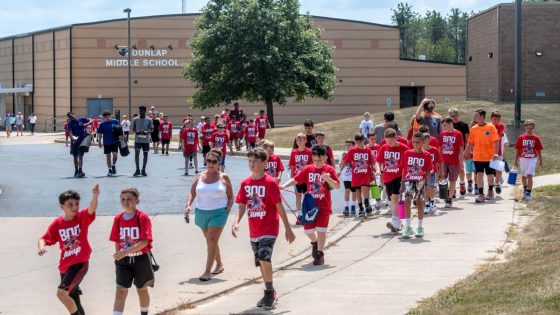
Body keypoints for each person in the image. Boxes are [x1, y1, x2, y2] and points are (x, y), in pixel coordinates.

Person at [232, 148, 296, 310]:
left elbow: (279, 207)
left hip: (269, 227)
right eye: (250, 161)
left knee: (264, 257)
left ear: (263, 163)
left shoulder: (270, 182)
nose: (251, 164)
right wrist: (236, 222)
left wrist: (288, 229)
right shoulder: (245, 183)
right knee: (260, 262)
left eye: (255, 161)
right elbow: (241, 205)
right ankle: (269, 291)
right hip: (254, 230)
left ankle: (269, 292)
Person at [38, 184, 100, 315]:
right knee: (73, 298)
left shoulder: (82, 217)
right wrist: (42, 247)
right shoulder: (57, 223)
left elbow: (91, 209)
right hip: (64, 267)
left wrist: (95, 196)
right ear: (62, 206)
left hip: (79, 264)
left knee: (61, 293)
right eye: (70, 204)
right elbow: (43, 239)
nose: (75, 207)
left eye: (76, 204)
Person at [282, 145, 340, 265]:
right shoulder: (308, 169)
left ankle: (319, 254)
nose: (317, 162)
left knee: (321, 230)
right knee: (308, 231)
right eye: (315, 160)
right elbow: (296, 179)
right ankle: (314, 243)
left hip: (324, 205)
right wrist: (283, 186)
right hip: (310, 206)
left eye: (320, 160)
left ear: (325, 157)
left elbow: (337, 186)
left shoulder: (329, 170)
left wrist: (328, 179)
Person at [184, 149, 233, 281]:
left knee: (211, 240)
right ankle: (219, 264)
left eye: (214, 161)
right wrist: (188, 205)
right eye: (208, 161)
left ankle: (207, 272)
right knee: (211, 241)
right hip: (201, 212)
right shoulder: (199, 176)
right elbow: (192, 193)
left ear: (218, 163)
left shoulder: (223, 177)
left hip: (219, 213)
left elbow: (231, 197)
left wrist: (227, 211)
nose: (210, 164)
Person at [110, 187, 154, 315]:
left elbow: (144, 242)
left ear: (137, 201)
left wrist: (124, 252)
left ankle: (144, 313)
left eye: (129, 199)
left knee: (142, 289)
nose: (126, 202)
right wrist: (119, 255)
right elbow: (117, 240)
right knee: (120, 291)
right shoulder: (118, 219)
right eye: (123, 199)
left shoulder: (142, 217)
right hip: (123, 261)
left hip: (141, 259)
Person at [376, 128, 409, 233]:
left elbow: (408, 162)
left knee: (395, 198)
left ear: (396, 138)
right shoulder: (384, 148)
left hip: (399, 176)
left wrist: (405, 179)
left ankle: (394, 220)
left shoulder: (403, 148)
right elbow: (378, 161)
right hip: (387, 177)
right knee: (391, 200)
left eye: (391, 141)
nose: (389, 143)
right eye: (387, 141)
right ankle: (398, 222)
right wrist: (378, 170)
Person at [464, 108, 500, 203]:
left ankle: (490, 191)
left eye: (476, 115)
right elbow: (470, 143)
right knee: (479, 174)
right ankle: (481, 194)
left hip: (489, 156)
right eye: (474, 115)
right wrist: (465, 153)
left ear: (482, 116)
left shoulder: (491, 127)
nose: (474, 117)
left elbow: (496, 141)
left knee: (490, 174)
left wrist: (496, 153)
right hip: (477, 156)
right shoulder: (473, 128)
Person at [400, 132, 432, 238]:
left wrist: (427, 184)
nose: (415, 144)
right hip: (408, 181)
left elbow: (428, 171)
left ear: (423, 143)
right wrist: (402, 184)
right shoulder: (407, 153)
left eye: (418, 142)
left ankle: (420, 226)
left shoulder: (426, 155)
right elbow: (404, 170)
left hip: (420, 181)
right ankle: (408, 226)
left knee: (419, 202)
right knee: (407, 202)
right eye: (413, 142)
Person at [340, 134, 376, 217]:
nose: (359, 144)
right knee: (358, 191)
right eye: (357, 142)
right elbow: (345, 161)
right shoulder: (352, 151)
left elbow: (372, 161)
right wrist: (340, 170)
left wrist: (375, 169)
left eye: (361, 142)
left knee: (365, 188)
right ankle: (361, 209)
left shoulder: (368, 150)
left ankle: (366, 202)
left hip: (365, 174)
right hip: (356, 175)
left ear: (364, 141)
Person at [515, 119, 543, 201]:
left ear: (533, 128)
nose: (529, 130)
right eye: (528, 128)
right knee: (523, 176)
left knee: (529, 175)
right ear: (525, 128)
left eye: (531, 128)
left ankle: (529, 193)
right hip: (523, 158)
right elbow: (518, 149)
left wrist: (540, 160)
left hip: (532, 159)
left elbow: (538, 150)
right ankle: (525, 189)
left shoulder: (536, 138)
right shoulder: (521, 138)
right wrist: (516, 161)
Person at [439, 117, 465, 208]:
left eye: (445, 125)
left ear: (451, 124)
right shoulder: (442, 134)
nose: (444, 127)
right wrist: (439, 160)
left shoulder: (458, 134)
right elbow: (440, 147)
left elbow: (461, 149)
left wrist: (461, 163)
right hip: (444, 161)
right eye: (443, 126)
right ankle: (446, 194)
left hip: (454, 161)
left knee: (452, 180)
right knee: (443, 179)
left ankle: (449, 198)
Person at [289, 133, 313, 222]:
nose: (299, 142)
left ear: (305, 141)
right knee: (298, 196)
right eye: (297, 140)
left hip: (307, 178)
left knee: (307, 196)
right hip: (297, 178)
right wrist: (292, 177)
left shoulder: (309, 151)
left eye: (301, 140)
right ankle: (299, 215)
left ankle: (307, 212)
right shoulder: (294, 152)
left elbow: (312, 164)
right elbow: (291, 165)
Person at [449, 108, 470, 195]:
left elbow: (467, 139)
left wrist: (466, 151)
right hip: (450, 151)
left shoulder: (464, 125)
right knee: (451, 170)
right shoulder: (449, 125)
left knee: (461, 168)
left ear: (458, 115)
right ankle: (452, 188)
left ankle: (462, 183)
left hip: (460, 150)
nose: (454, 118)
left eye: (455, 116)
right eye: (452, 116)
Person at [67, 112, 93, 178]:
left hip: (82, 141)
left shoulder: (82, 119)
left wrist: (86, 124)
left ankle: (80, 171)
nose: (71, 117)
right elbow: (70, 133)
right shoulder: (70, 124)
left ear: (74, 114)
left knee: (80, 156)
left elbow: (91, 120)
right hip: (75, 141)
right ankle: (76, 170)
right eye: (70, 117)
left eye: (72, 116)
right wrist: (72, 138)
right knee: (75, 156)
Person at [422, 133, 443, 214]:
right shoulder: (420, 150)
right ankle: (427, 204)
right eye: (422, 140)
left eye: (425, 140)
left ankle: (432, 202)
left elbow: (440, 161)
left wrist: (441, 172)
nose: (423, 142)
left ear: (428, 140)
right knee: (424, 189)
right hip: (422, 174)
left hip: (432, 173)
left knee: (431, 188)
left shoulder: (434, 150)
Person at [97, 110, 121, 177]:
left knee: (115, 155)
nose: (107, 117)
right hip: (106, 142)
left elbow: (120, 129)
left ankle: (113, 165)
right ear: (104, 117)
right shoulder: (102, 124)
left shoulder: (115, 121)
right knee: (108, 156)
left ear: (110, 115)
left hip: (114, 141)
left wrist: (122, 137)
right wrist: (99, 142)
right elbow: (100, 133)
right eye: (106, 116)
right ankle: (110, 169)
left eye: (108, 115)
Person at [132, 106, 154, 177]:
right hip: (137, 140)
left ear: (145, 111)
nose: (140, 112)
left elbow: (152, 129)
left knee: (145, 155)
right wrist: (137, 132)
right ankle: (137, 169)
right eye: (140, 111)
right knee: (136, 154)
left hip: (146, 141)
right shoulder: (135, 119)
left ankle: (143, 169)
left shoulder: (149, 120)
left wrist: (146, 132)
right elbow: (133, 129)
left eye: (142, 111)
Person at [340, 139, 357, 216]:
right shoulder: (344, 154)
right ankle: (346, 206)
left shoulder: (355, 153)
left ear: (353, 146)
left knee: (354, 191)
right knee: (347, 190)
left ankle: (353, 205)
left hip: (354, 175)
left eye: (349, 145)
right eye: (346, 145)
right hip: (346, 175)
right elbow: (342, 164)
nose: (347, 147)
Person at [490, 111, 506, 194]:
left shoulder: (500, 125)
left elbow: (499, 137)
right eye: (494, 119)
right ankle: (491, 187)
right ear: (491, 118)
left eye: (498, 119)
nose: (496, 121)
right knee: (490, 172)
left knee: (499, 170)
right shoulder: (488, 126)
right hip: (488, 152)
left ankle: (497, 184)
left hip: (498, 151)